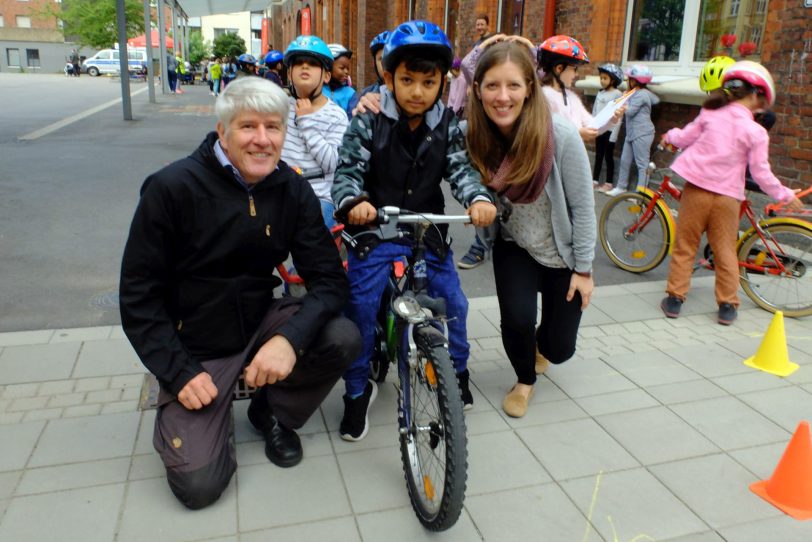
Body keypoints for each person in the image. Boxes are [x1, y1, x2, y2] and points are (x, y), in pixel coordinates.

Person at [119, 76, 361, 510]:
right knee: (199, 488)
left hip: (256, 323)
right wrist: (177, 372)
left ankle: (272, 412)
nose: (263, 140)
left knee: (342, 337)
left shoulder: (291, 189)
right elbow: (138, 297)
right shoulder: (171, 189)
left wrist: (289, 340)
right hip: (195, 346)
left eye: (274, 127)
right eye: (248, 127)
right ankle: (202, 424)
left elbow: (329, 281)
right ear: (222, 131)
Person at [331, 20, 497, 441]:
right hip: (374, 229)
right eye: (407, 80)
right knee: (361, 308)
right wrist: (354, 203)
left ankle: (456, 370)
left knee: (454, 303)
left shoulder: (448, 126)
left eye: (429, 81)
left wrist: (478, 200)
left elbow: (461, 172)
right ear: (388, 77)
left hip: (427, 230)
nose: (418, 91)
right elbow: (347, 172)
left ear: (444, 80)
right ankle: (356, 389)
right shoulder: (367, 120)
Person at [462, 37, 596, 418]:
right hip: (514, 245)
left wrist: (584, 270)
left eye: (513, 85)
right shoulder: (474, 135)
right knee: (517, 318)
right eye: (492, 85)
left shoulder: (560, 135)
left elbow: (583, 207)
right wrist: (374, 101)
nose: (502, 97)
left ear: (529, 89)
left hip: (561, 253)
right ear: (478, 89)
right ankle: (524, 381)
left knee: (559, 349)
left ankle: (542, 349)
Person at [659, 61, 803, 325]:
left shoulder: (710, 114)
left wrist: (669, 135)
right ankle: (727, 305)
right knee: (726, 251)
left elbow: (682, 138)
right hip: (727, 198)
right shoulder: (756, 131)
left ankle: (675, 300)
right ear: (757, 95)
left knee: (685, 246)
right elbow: (761, 173)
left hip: (697, 192)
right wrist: (784, 194)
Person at [281, 35, 349, 229]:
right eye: (299, 63)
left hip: (319, 196)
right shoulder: (280, 108)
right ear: (290, 72)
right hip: (281, 190)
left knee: (309, 249)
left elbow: (331, 164)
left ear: (326, 76)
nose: (304, 67)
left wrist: (307, 122)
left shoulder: (336, 115)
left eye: (312, 63)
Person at [605, 64, 660, 196]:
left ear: (635, 81)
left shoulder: (642, 95)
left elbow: (630, 112)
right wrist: (626, 98)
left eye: (629, 79)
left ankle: (641, 194)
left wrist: (624, 102)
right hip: (632, 133)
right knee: (625, 160)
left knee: (642, 164)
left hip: (643, 133)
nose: (627, 81)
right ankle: (621, 187)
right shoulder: (634, 93)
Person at [593, 63, 624, 191]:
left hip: (610, 130)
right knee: (598, 155)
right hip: (599, 129)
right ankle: (594, 180)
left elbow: (619, 115)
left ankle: (609, 183)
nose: (602, 80)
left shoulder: (617, 94)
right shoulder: (600, 93)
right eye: (601, 78)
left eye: (605, 78)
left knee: (608, 156)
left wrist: (614, 135)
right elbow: (595, 110)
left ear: (613, 79)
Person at [348, 30, 390, 115]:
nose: (386, 64)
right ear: (375, 63)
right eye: (381, 59)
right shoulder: (364, 94)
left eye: (389, 57)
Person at [323, 44, 358, 118]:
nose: (346, 72)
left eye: (347, 68)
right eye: (342, 68)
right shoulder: (318, 89)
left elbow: (352, 120)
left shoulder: (350, 94)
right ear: (328, 67)